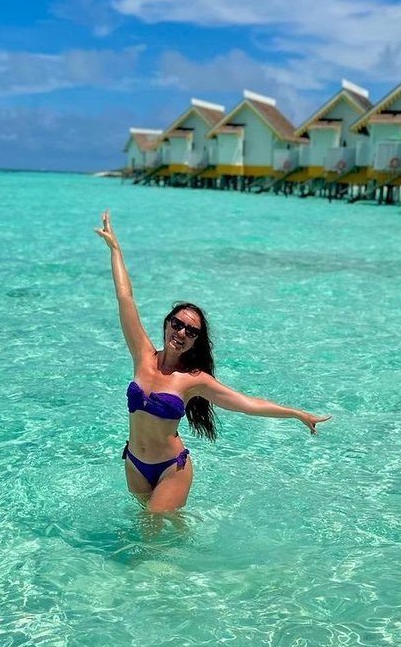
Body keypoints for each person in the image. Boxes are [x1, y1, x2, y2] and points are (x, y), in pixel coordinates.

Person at [94, 210, 331, 513]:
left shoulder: (193, 379)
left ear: (195, 341)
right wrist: (116, 250)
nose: (181, 332)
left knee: (151, 531)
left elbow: (247, 403)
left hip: (171, 467)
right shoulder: (142, 354)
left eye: (190, 331)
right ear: (167, 323)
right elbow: (125, 297)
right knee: (155, 530)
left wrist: (296, 414)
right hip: (135, 464)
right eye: (177, 324)